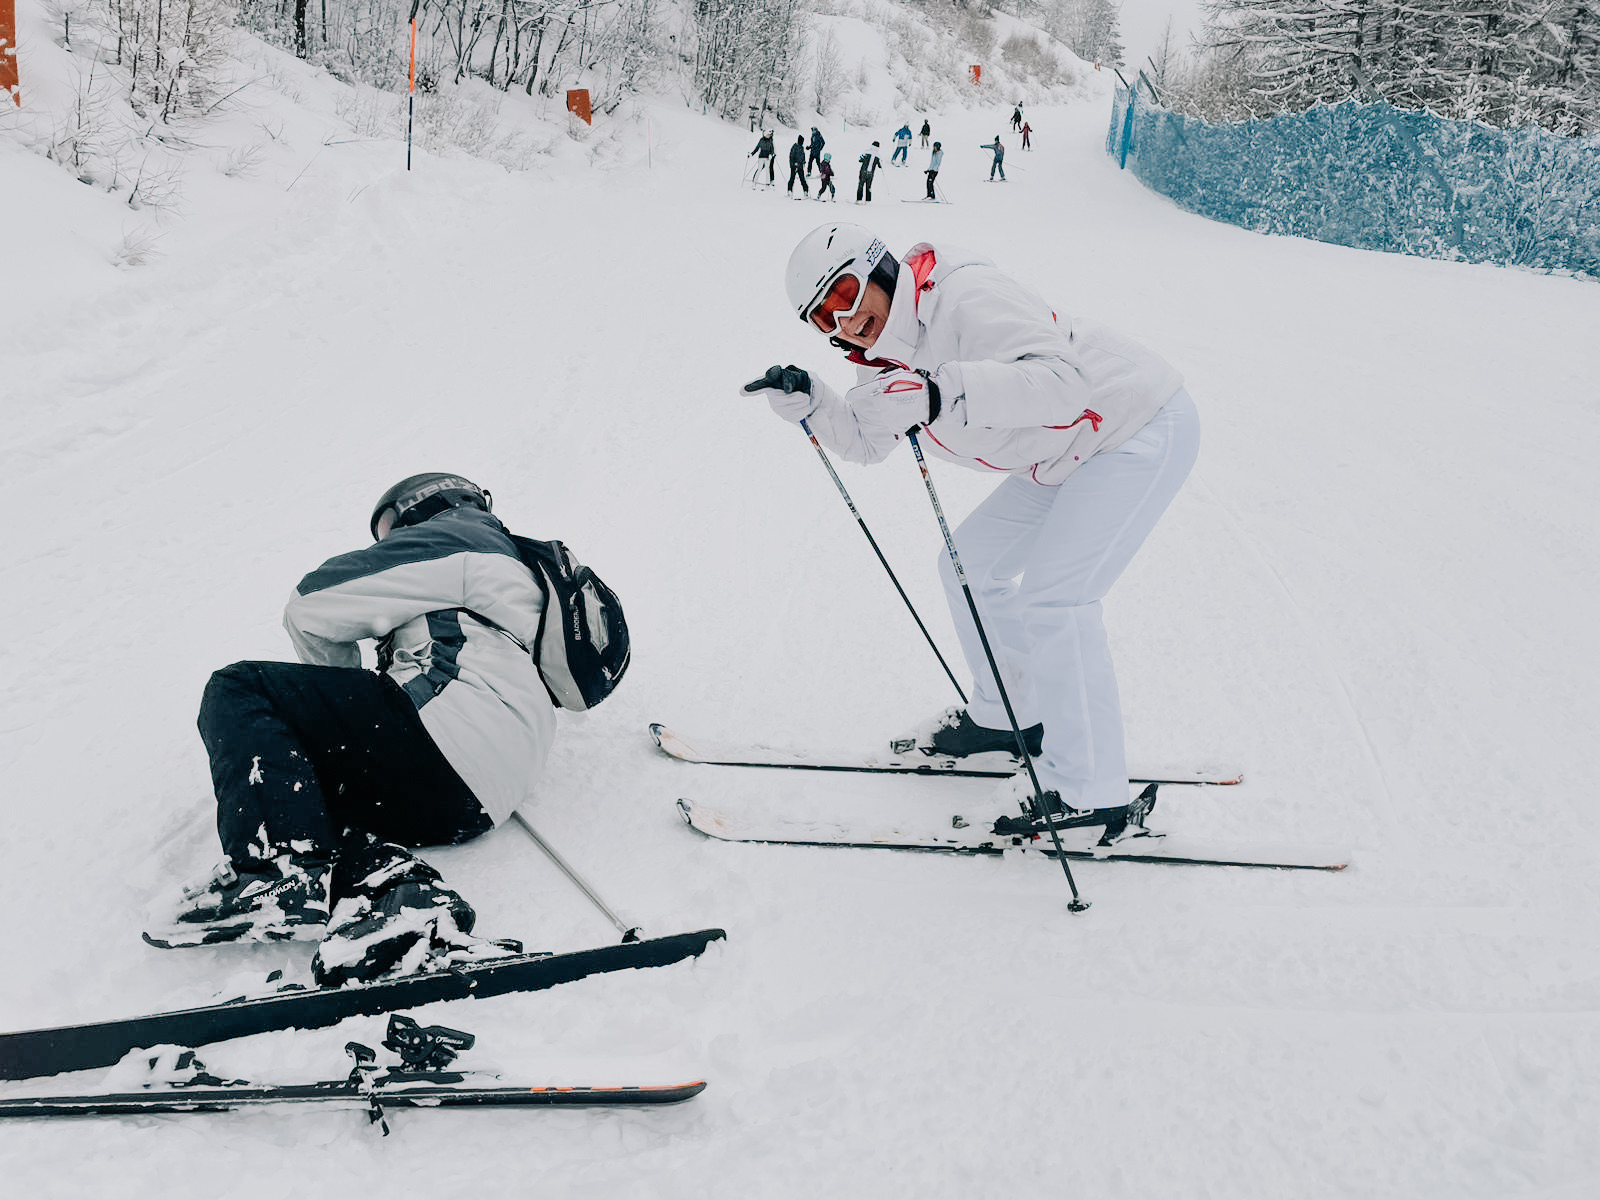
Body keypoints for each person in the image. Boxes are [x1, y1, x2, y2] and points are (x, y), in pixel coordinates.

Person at [741, 226, 1200, 836]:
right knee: (969, 566)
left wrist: (939, 393)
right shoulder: (880, 361)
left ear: (878, 269)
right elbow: (868, 440)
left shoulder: (964, 295)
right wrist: (816, 404)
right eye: (821, 318)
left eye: (845, 295)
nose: (842, 323)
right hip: (1063, 450)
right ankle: (1013, 716)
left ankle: (1091, 787)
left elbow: (1067, 385)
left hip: (1132, 423)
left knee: (1056, 596)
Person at [155, 474, 559, 986]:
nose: (387, 543)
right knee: (299, 789)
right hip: (475, 795)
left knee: (238, 688)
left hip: (448, 732)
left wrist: (336, 706)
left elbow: (313, 605)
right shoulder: (523, 579)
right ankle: (400, 898)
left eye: (390, 527)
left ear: (427, 505)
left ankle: (277, 873)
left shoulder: (459, 533)